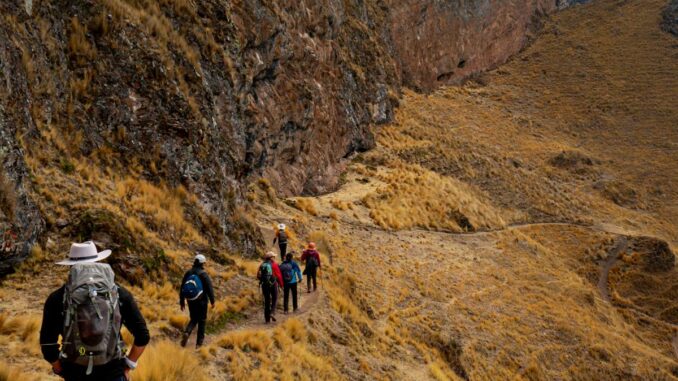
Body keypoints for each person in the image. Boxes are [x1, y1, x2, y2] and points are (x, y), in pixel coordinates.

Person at [40, 241, 150, 381]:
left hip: (75, 372)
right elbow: (143, 336)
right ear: (97, 261)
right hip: (113, 372)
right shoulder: (119, 294)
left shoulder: (57, 298)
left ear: (70, 266)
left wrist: (59, 368)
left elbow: (47, 344)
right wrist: (128, 365)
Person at [179, 254, 215, 349]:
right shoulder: (203, 274)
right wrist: (212, 301)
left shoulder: (188, 273)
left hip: (191, 300)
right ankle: (199, 344)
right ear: (202, 263)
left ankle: (187, 332)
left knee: (194, 319)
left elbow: (182, 287)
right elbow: (209, 288)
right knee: (202, 321)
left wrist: (182, 302)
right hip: (202, 301)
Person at [257, 252, 283, 323]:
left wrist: (264, 280)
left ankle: (267, 319)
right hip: (273, 284)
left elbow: (258, 276)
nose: (274, 258)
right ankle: (272, 312)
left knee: (267, 301)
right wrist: (281, 285)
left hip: (264, 285)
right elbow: (279, 276)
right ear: (271, 258)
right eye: (273, 257)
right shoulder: (274, 265)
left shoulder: (262, 265)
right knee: (274, 298)